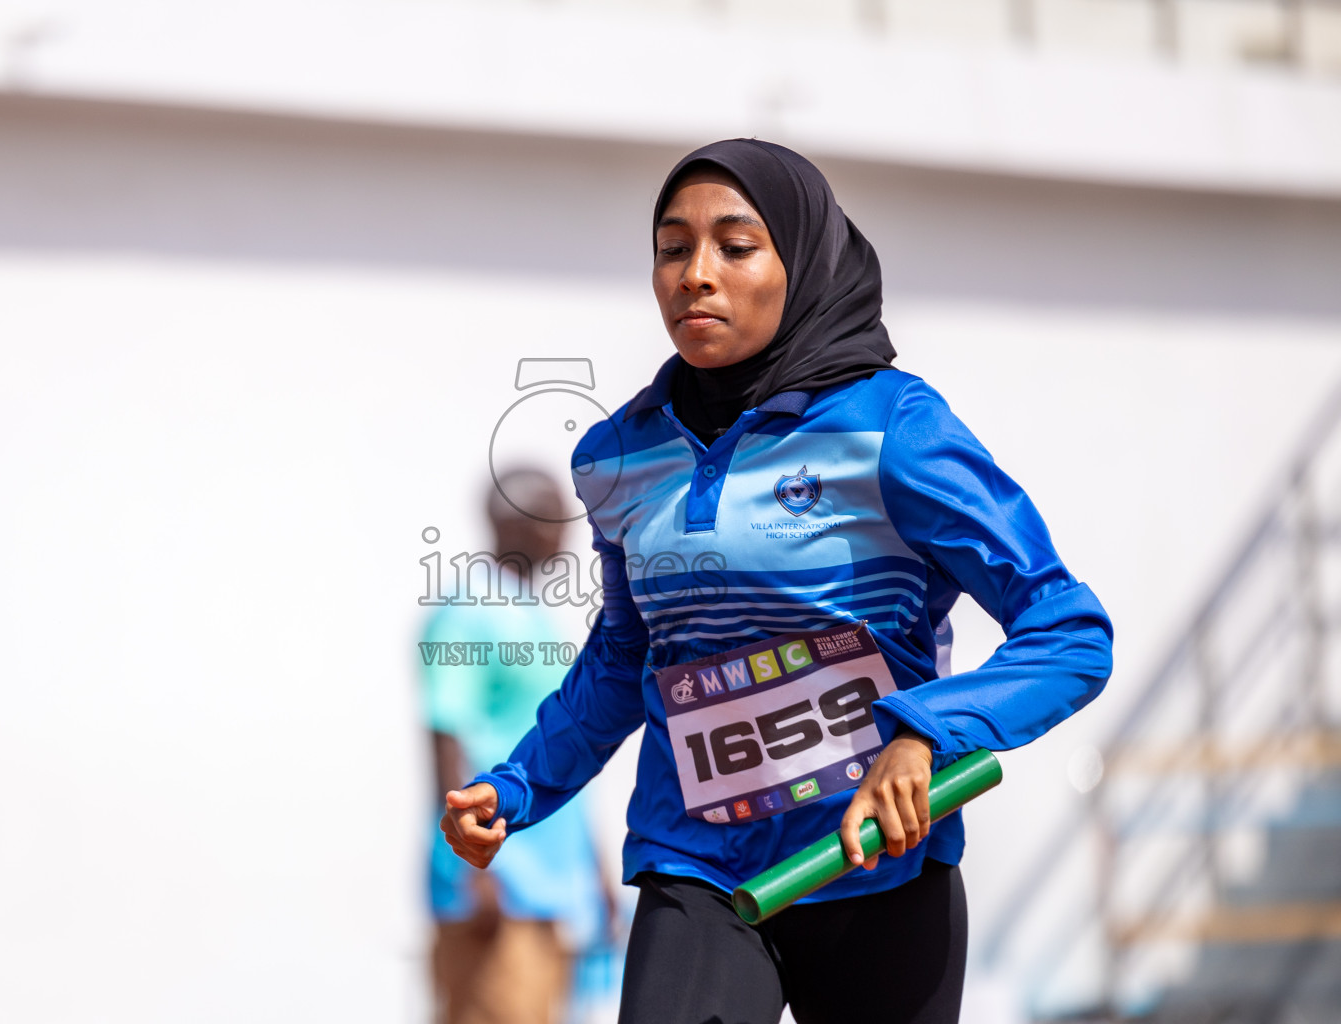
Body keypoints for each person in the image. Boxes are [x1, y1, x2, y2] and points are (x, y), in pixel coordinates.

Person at [439, 139, 1113, 1024]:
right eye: (673, 247)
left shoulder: (893, 427)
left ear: (800, 260)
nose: (696, 274)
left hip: (874, 858)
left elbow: (1069, 633)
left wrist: (924, 737)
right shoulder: (616, 458)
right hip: (698, 863)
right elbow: (625, 655)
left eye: (735, 245)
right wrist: (520, 783)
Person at [422, 469, 613, 1024]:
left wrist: (593, 867)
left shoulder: (533, 614)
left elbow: (561, 752)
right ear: (514, 520)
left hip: (553, 888)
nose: (567, 528)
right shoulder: (467, 611)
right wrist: (475, 874)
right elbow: (445, 734)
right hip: (496, 888)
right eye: (553, 511)